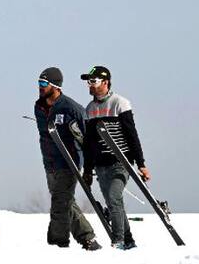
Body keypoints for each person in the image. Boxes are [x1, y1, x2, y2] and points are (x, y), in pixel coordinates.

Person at [34, 67, 102, 251]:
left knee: (60, 203)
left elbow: (88, 137)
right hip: (49, 163)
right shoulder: (38, 107)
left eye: (43, 83)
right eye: (39, 83)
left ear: (55, 86)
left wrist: (90, 163)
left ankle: (58, 243)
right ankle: (88, 239)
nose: (39, 87)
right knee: (66, 202)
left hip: (69, 162)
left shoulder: (71, 108)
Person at [81, 66, 147, 250]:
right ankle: (129, 240)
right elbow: (88, 144)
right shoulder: (90, 109)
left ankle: (117, 241)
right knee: (113, 202)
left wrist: (141, 164)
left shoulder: (120, 103)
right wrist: (87, 170)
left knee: (113, 196)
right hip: (100, 165)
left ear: (105, 82)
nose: (90, 86)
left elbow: (132, 135)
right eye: (89, 82)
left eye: (93, 81)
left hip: (120, 162)